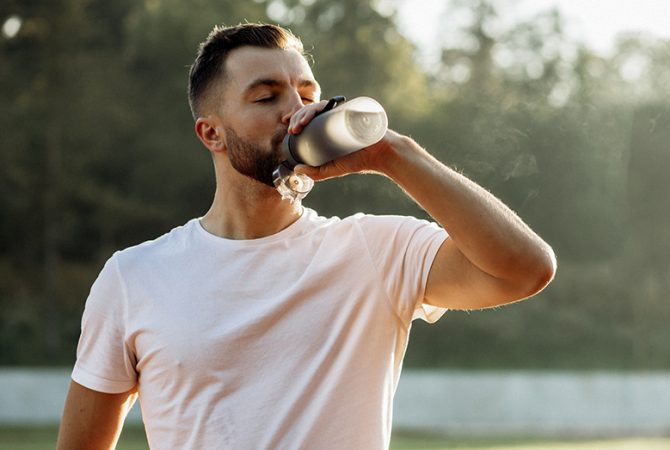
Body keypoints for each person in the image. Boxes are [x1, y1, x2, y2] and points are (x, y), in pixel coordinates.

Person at [56, 22, 556, 450]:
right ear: (212, 133)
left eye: (309, 95)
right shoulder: (134, 276)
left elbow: (526, 269)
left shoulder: (376, 251)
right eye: (266, 96)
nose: (295, 111)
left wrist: (391, 154)